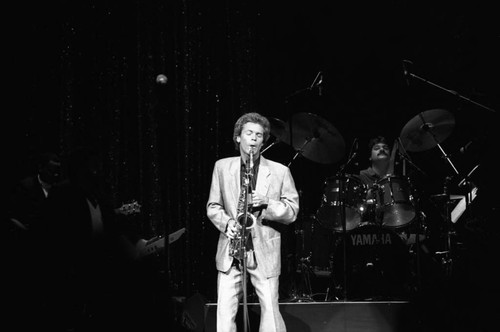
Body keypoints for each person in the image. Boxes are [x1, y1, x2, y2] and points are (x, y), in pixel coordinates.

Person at [206, 112, 300, 332]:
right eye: (249, 133)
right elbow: (213, 207)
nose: (254, 138)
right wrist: (227, 223)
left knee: (270, 311)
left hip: (264, 251)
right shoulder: (221, 167)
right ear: (238, 137)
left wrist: (266, 202)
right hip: (232, 248)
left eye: (259, 135)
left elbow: (292, 212)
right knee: (224, 314)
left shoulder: (280, 171)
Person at [39, 146, 146, 331]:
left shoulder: (99, 197)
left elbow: (115, 227)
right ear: (80, 170)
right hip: (71, 275)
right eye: (92, 167)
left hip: (96, 274)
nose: (97, 172)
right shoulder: (62, 195)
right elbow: (55, 238)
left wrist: (140, 243)